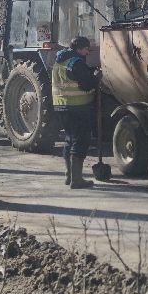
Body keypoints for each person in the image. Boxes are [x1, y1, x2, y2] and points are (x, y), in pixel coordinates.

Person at [52, 36, 99, 190]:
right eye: (86, 48)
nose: (88, 51)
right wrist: (97, 78)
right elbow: (85, 84)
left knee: (69, 139)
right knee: (81, 140)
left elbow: (73, 78)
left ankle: (69, 176)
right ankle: (77, 180)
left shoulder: (60, 61)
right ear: (79, 48)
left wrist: (89, 71)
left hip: (61, 106)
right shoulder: (77, 62)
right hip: (78, 107)